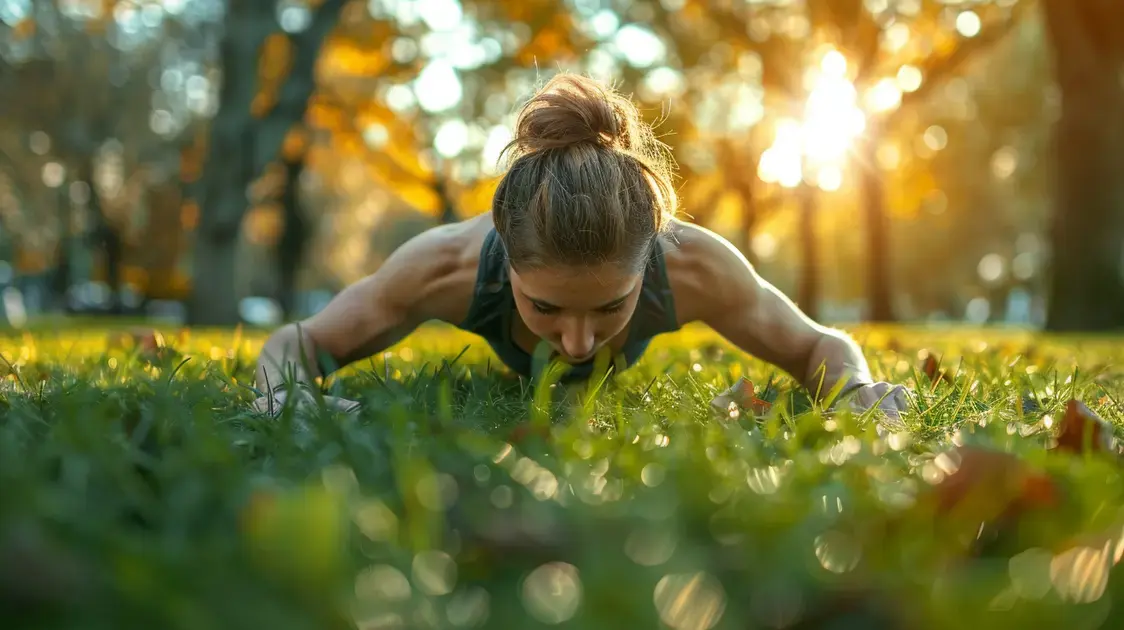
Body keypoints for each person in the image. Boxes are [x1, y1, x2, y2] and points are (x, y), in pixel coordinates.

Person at [253, 72, 910, 420]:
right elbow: (297, 344)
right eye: (545, 309)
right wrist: (283, 395)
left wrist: (854, 388)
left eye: (608, 308)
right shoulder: (444, 266)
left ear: (649, 256)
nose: (576, 344)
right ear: (504, 258)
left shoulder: (694, 266)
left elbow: (817, 346)